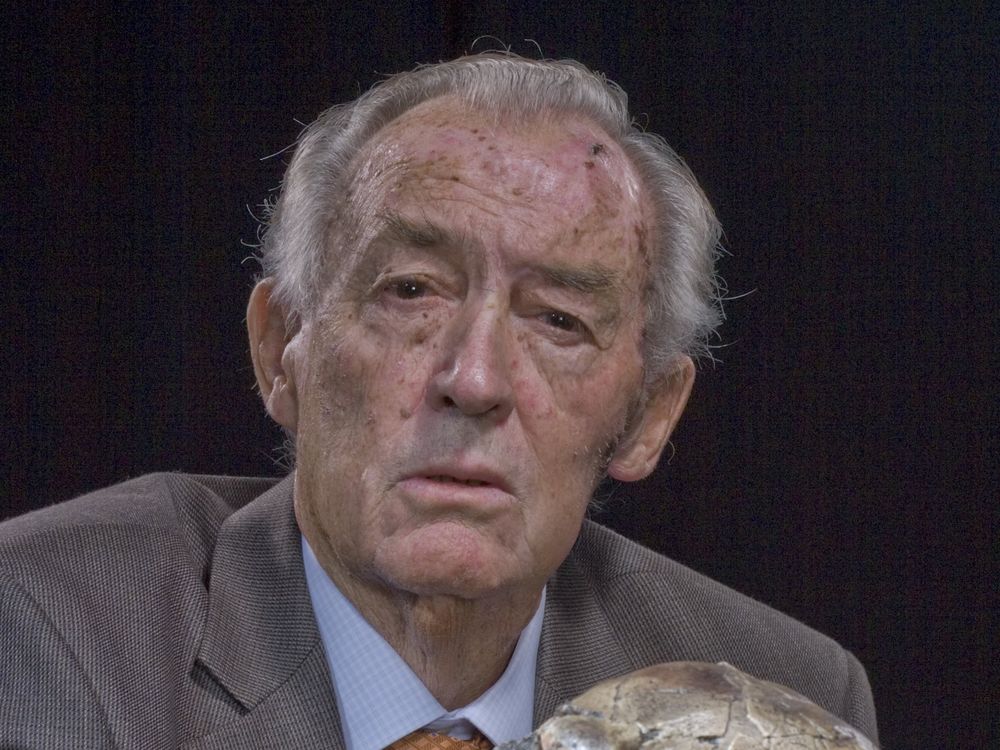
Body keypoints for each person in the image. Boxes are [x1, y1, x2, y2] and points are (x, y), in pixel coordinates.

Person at [0, 53, 878, 749]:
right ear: (281, 350)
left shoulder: (773, 700)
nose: (476, 379)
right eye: (411, 290)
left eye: (560, 321)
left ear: (647, 414)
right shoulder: (50, 632)